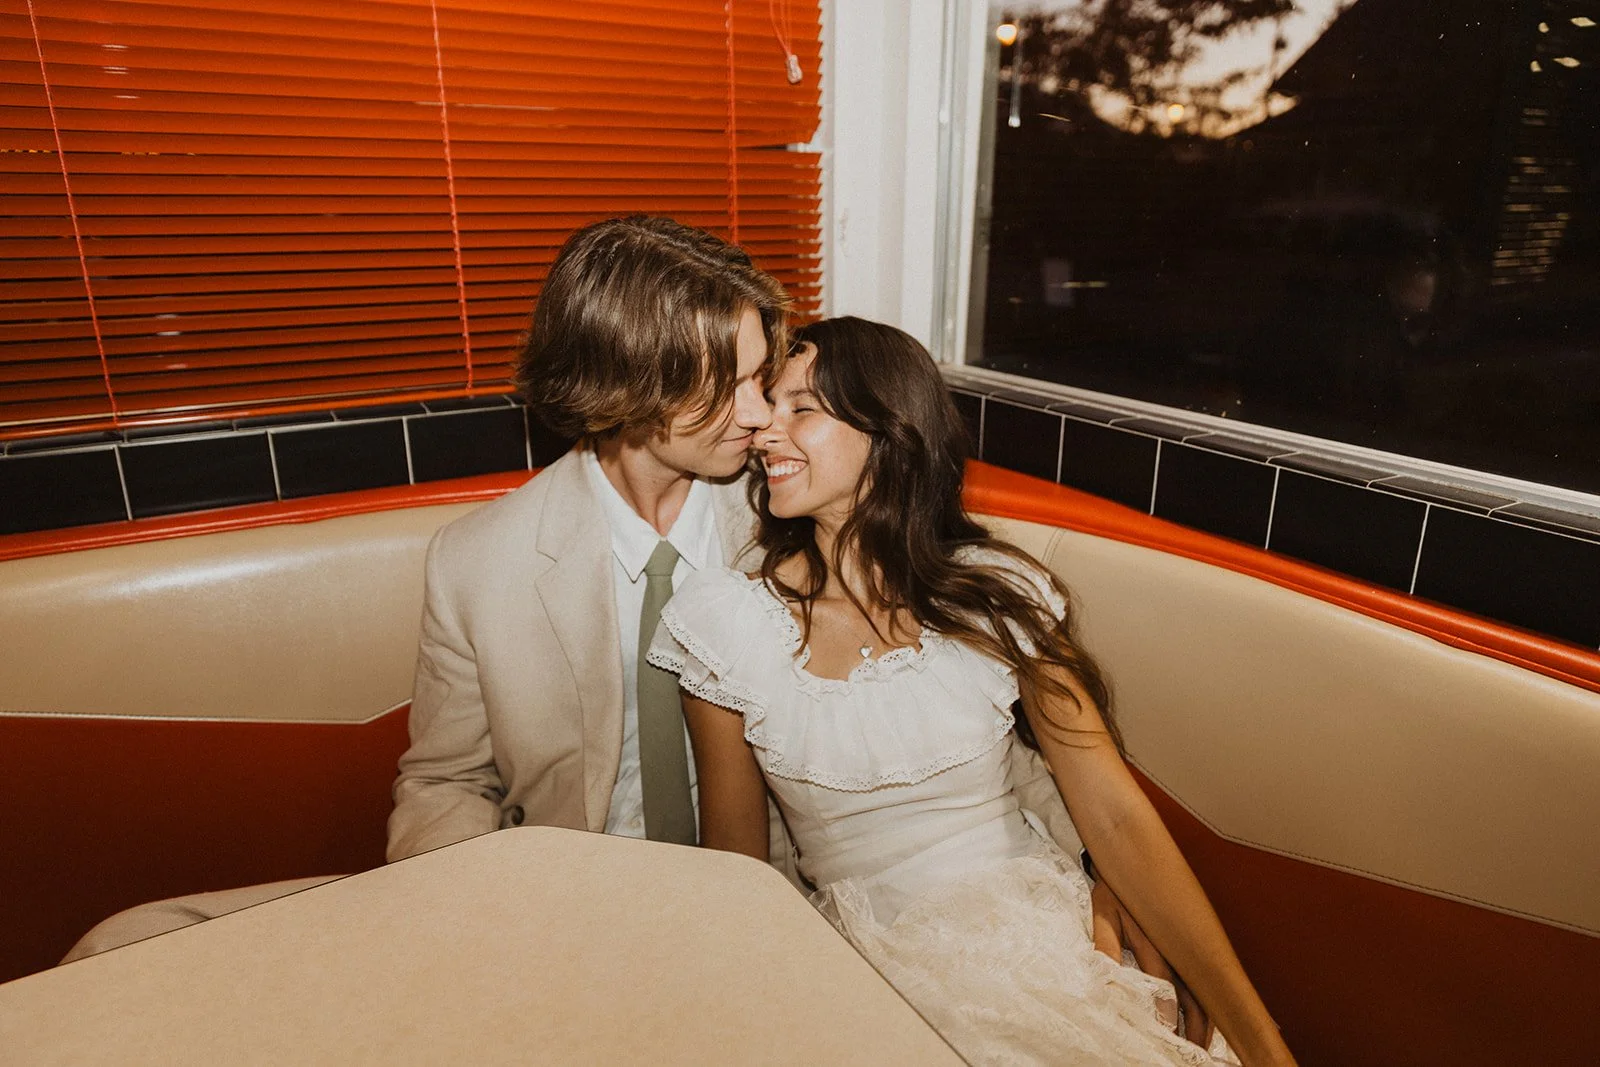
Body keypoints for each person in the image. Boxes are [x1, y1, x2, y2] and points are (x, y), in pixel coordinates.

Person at [61, 218, 1155, 978]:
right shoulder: (479, 561)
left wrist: (1079, 880)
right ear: (628, 387)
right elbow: (447, 775)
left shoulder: (806, 522)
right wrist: (483, 909)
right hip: (564, 897)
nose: (761, 410)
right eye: (729, 382)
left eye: (767, 374)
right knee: (135, 940)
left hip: (790, 908)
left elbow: (977, 723)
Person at [647, 316, 1297, 1065]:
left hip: (1044, 944)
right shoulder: (727, 624)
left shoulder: (996, 595)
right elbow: (739, 876)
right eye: (769, 406)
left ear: (888, 432)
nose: (765, 434)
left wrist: (1262, 1042)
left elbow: (1116, 816)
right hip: (866, 972)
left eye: (802, 408)